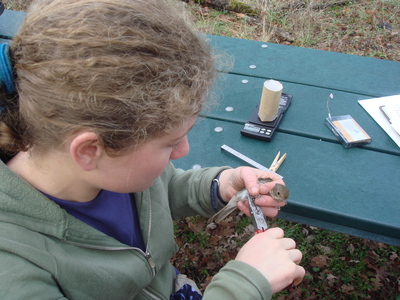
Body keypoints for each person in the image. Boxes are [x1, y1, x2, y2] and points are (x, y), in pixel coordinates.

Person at [0, 0, 305, 299]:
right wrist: (243, 286)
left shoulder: (114, 167)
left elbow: (163, 189)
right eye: (171, 142)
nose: (183, 150)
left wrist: (221, 186)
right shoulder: (14, 271)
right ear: (90, 150)